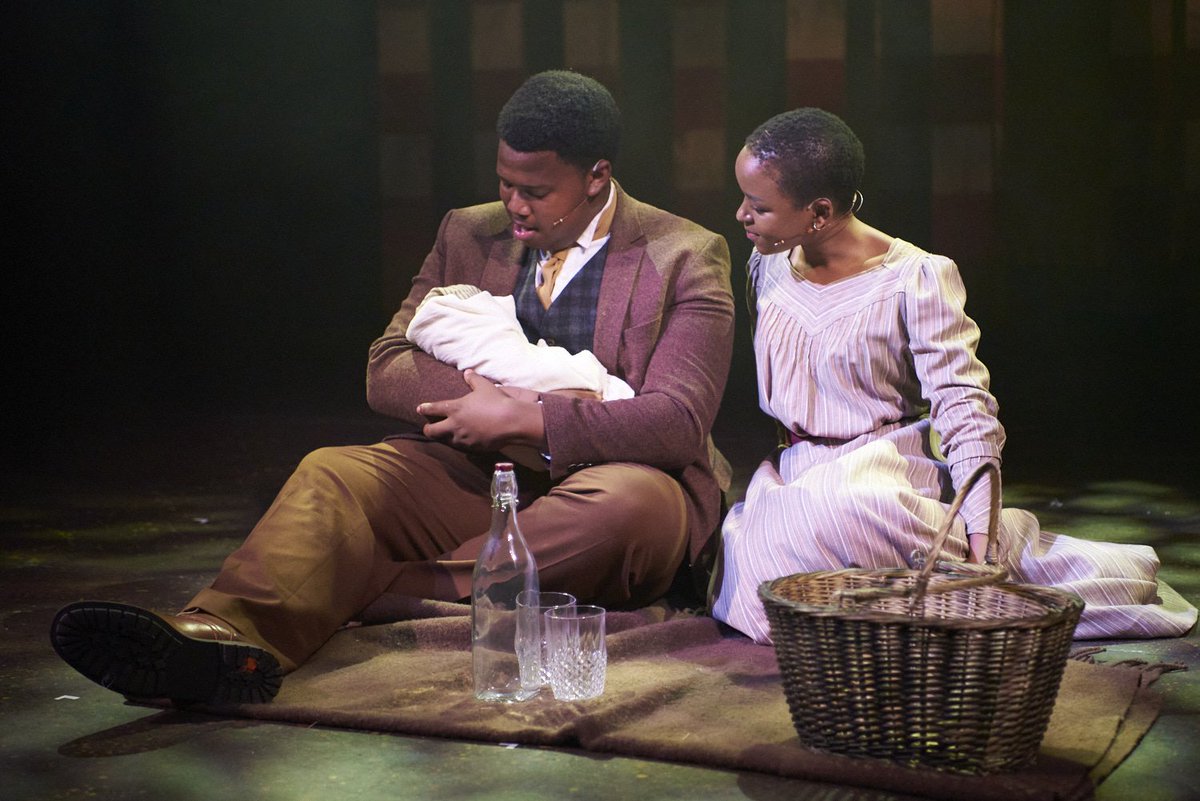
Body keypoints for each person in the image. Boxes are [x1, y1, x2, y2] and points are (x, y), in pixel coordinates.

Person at [51, 70, 735, 704]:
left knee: (627, 510)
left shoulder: (682, 254)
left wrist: (527, 417)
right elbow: (387, 365)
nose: (513, 204)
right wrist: (480, 409)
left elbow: (675, 422)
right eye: (505, 183)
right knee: (336, 474)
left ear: (596, 177)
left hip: (616, 482)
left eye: (535, 191)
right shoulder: (469, 232)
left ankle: (361, 586)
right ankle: (217, 637)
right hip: (476, 471)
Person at [710, 108, 1197, 644]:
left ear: (819, 212)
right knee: (755, 559)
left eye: (759, 206)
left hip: (882, 471)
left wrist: (981, 541)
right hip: (797, 471)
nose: (741, 215)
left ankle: (972, 564)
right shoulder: (768, 266)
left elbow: (965, 406)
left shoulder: (915, 278)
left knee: (839, 515)